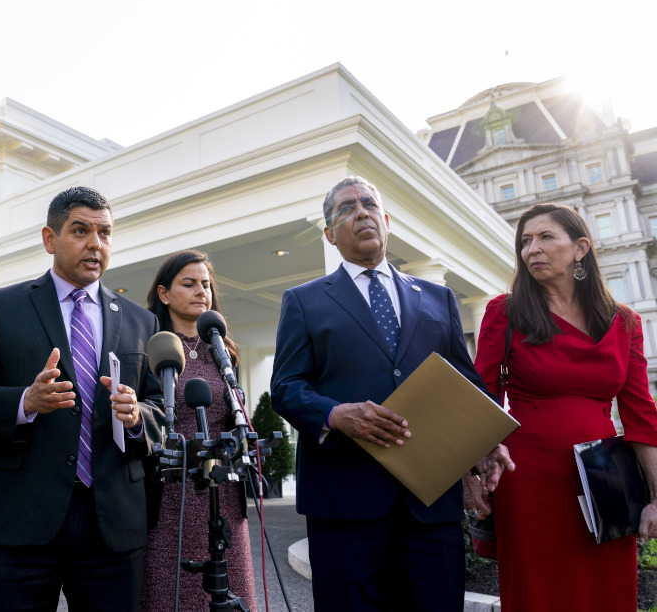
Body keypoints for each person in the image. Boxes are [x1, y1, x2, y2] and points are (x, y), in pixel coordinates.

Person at [270, 175, 512, 612]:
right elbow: (286, 388)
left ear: (385, 220)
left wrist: (483, 444)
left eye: (368, 204)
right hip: (345, 501)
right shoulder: (304, 301)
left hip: (431, 503)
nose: (360, 212)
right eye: (346, 208)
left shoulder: (439, 298)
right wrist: (336, 414)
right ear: (329, 234)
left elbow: (465, 384)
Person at [0, 186, 164, 612]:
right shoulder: (0, 307)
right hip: (17, 521)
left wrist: (138, 416)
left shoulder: (141, 320)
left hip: (111, 525)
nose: (95, 244)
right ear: (50, 239)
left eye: (105, 233)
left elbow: (161, 409)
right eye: (80, 230)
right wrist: (24, 402)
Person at [472, 202, 657, 611]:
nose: (531, 249)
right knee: (538, 593)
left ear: (580, 249)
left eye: (545, 237)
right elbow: (480, 398)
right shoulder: (505, 311)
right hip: (528, 479)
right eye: (525, 241)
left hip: (606, 480)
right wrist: (475, 469)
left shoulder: (625, 322)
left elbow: (641, 413)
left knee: (605, 591)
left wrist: (656, 497)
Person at [140, 250, 258, 612]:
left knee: (229, 592)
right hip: (171, 491)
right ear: (164, 294)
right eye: (189, 284)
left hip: (222, 490)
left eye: (205, 284)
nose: (201, 291)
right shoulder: (150, 349)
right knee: (172, 594)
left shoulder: (223, 351)